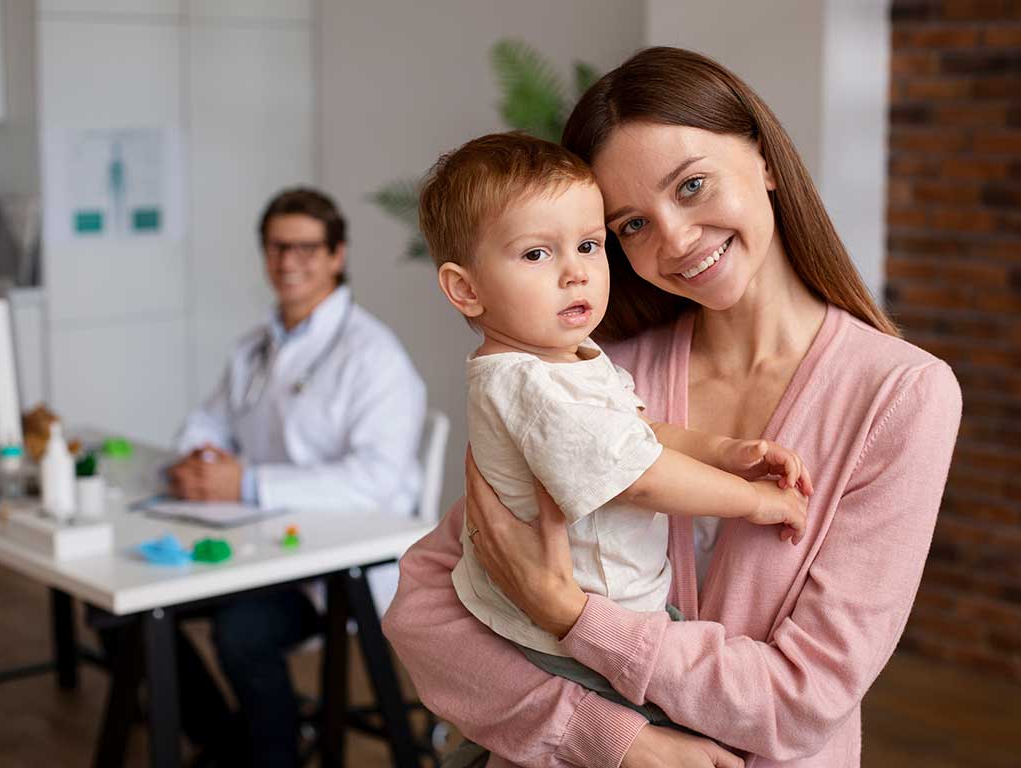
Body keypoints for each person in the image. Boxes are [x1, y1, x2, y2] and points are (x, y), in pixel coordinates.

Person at [383, 48, 961, 768]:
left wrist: (570, 615)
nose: (676, 240)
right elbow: (425, 613)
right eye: (631, 225)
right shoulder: (591, 377)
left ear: (765, 157)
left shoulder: (900, 395)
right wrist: (615, 741)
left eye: (691, 186)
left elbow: (801, 699)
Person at [416, 132, 810, 746]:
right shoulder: (528, 383)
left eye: (589, 244)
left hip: (614, 616)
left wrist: (724, 452)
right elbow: (639, 476)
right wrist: (758, 500)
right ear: (466, 290)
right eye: (536, 255)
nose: (575, 271)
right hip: (574, 642)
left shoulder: (566, 360)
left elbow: (638, 435)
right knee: (698, 737)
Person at [168, 187, 426, 768]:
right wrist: (200, 456)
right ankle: (228, 742)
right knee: (121, 614)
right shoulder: (257, 346)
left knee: (241, 634)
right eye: (277, 247)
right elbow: (210, 418)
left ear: (337, 255)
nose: (289, 262)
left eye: (306, 248)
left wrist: (249, 483)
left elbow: (377, 481)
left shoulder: (373, 355)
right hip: (255, 542)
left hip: (331, 566)